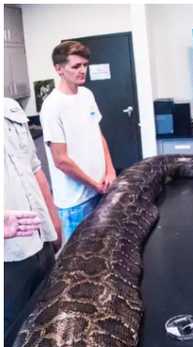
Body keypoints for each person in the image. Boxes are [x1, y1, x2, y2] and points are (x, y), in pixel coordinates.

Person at [39, 40, 115, 243]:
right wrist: (94, 185)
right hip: (75, 203)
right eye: (76, 66)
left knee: (103, 252)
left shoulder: (87, 95)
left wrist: (110, 171)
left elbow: (98, 136)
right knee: (76, 266)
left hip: (101, 190)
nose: (83, 70)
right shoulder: (52, 107)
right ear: (59, 69)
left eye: (85, 65)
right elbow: (61, 160)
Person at [5, 97, 62, 347]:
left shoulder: (9, 108)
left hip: (40, 241)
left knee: (50, 318)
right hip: (8, 257)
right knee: (15, 340)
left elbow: (36, 170)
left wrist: (54, 222)